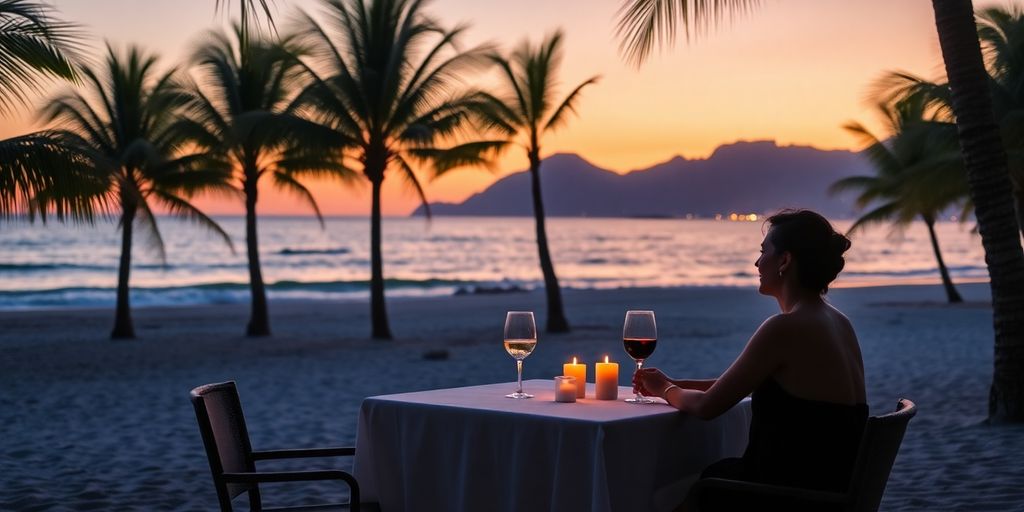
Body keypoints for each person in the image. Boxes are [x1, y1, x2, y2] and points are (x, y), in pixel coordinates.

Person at [634, 209, 867, 511]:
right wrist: (672, 383)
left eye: (763, 253)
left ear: (784, 261)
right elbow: (734, 385)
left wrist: (665, 389)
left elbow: (707, 407)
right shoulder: (838, 322)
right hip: (828, 490)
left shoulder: (784, 328)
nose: (757, 263)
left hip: (782, 494)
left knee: (659, 490)